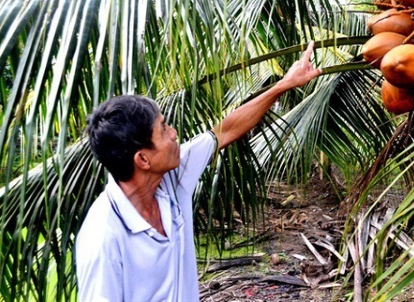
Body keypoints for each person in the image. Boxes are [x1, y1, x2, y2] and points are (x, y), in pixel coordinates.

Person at [75, 41, 322, 301]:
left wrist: (285, 84)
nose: (174, 134)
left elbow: (224, 131)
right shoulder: (103, 238)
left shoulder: (171, 177)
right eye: (163, 129)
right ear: (143, 159)